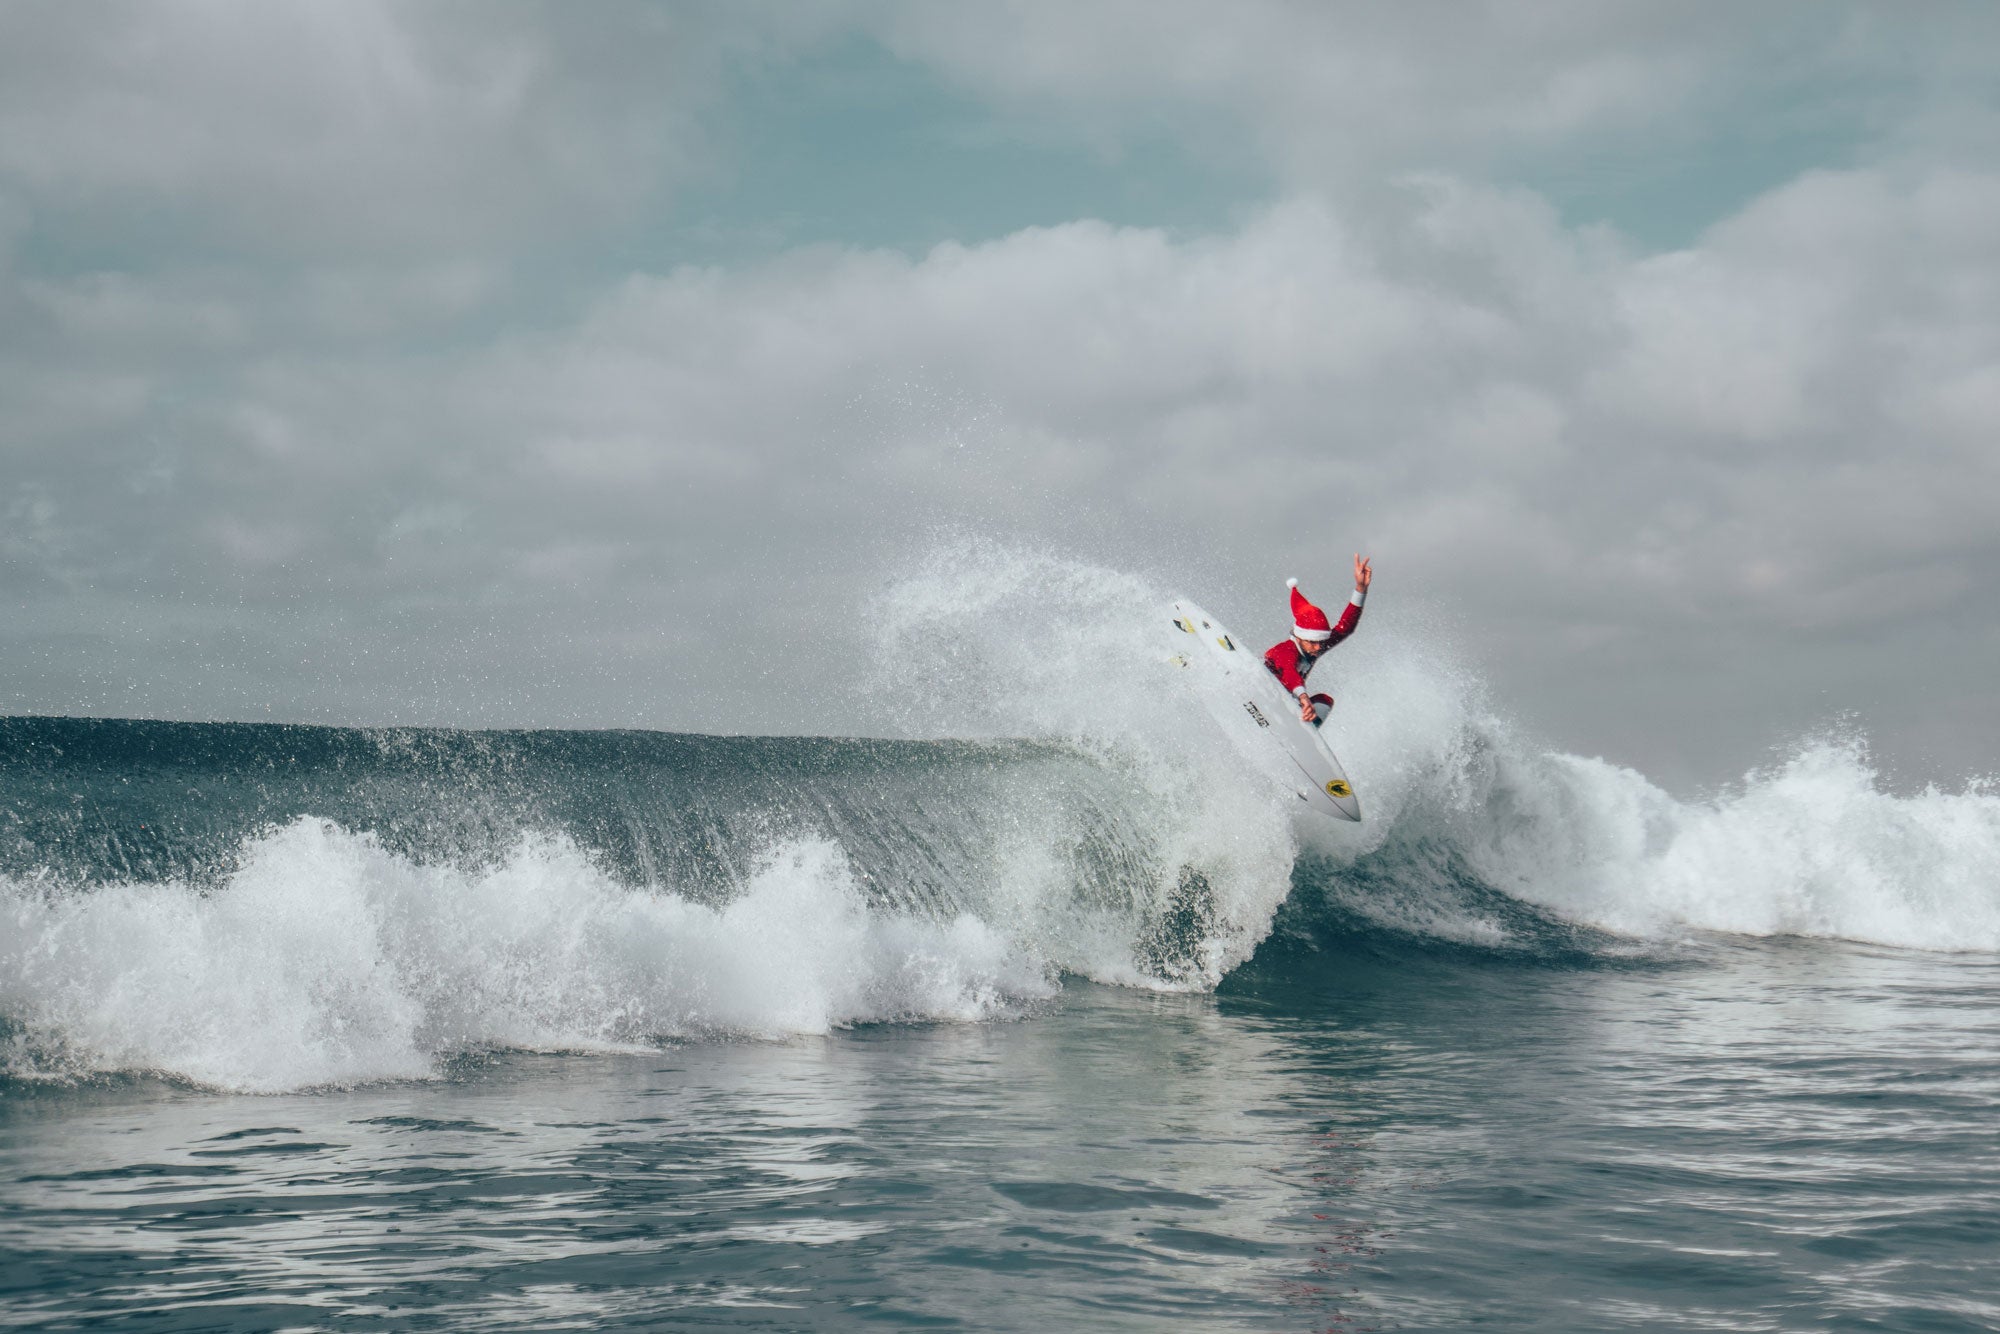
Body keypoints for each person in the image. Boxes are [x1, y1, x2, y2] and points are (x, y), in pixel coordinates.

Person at [1264, 554, 1372, 725]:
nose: (1317, 648)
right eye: (1312, 642)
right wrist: (1303, 697)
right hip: (1265, 694)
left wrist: (1360, 589)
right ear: (1299, 636)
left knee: (1324, 702)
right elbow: (1289, 673)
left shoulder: (1314, 647)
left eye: (1320, 643)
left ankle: (1304, 735)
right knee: (1310, 700)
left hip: (1286, 703)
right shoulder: (1285, 650)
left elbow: (1346, 628)